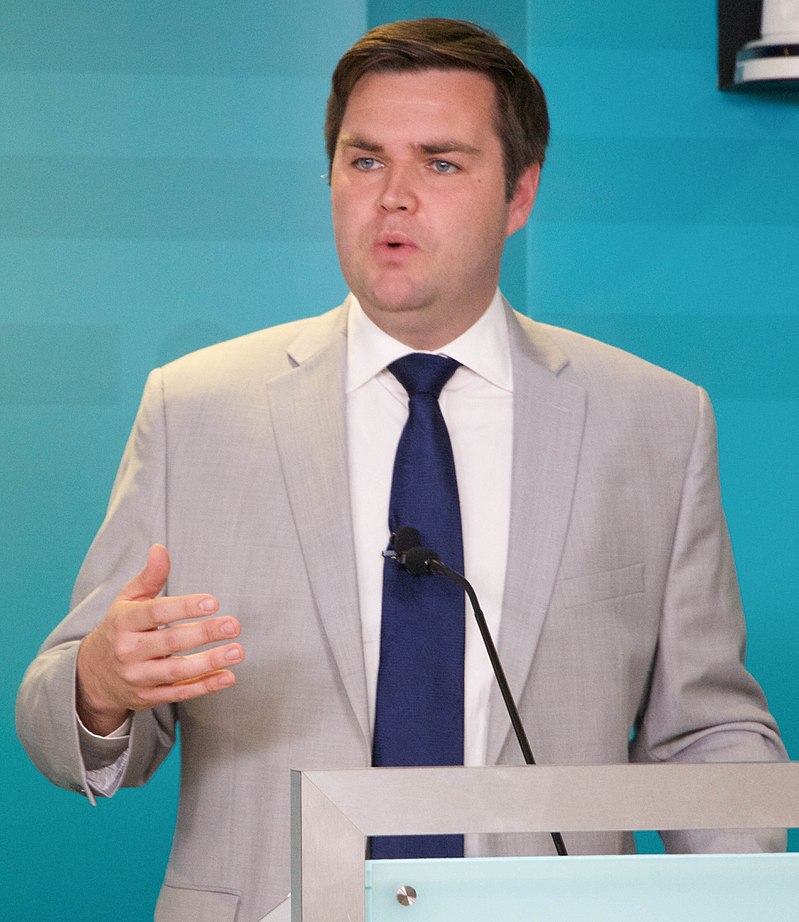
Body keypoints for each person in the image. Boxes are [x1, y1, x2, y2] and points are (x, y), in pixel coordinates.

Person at [17, 17, 787, 922]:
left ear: (520, 193)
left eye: (441, 163)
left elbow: (704, 732)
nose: (392, 197)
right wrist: (101, 685)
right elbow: (61, 716)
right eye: (364, 160)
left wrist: (749, 899)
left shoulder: (653, 421)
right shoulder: (195, 410)